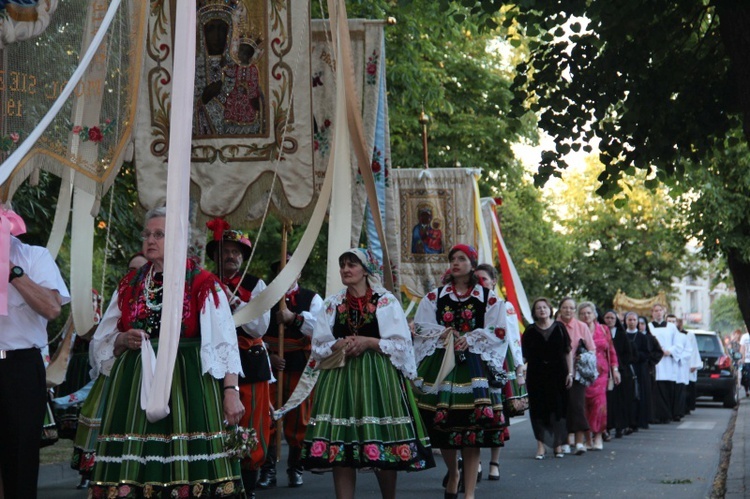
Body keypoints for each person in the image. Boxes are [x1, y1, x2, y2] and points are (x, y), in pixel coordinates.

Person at [87, 207, 246, 498]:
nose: (150, 240)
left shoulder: (202, 282)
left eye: (159, 234)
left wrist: (231, 391)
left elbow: (224, 342)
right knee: (135, 472)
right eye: (147, 234)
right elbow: (102, 341)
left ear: (178, 239)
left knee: (187, 471)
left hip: (188, 385)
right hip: (136, 385)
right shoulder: (130, 284)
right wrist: (122, 339)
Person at [300, 248, 434, 499]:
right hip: (340, 377)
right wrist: (337, 344)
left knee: (380, 442)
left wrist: (370, 342)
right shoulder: (332, 303)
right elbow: (318, 346)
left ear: (366, 270)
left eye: (352, 265)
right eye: (342, 265)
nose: (345, 270)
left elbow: (402, 343)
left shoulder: (385, 301)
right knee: (340, 446)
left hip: (377, 377)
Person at [413, 245, 506, 499]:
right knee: (444, 426)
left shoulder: (489, 298)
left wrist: (472, 338)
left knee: (471, 429)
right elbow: (421, 327)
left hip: (472, 366)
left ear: (472, 264)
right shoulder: (436, 296)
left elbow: (499, 332)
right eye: (452, 259)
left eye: (461, 259)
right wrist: (444, 333)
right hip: (443, 364)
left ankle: (470, 492)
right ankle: (453, 472)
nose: (456, 263)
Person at [0, 206, 70, 499]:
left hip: (19, 366)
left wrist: (12, 272)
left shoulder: (33, 256)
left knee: (20, 454)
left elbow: (53, 308)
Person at [69, 252, 149, 489]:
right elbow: (99, 343)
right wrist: (121, 341)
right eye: (130, 270)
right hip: (117, 378)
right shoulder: (123, 294)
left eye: (141, 270)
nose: (134, 276)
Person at [207, 227, 271, 497]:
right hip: (215, 360)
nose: (230, 256)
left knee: (251, 420)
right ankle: (217, 478)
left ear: (243, 257)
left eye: (235, 252)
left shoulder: (256, 285)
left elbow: (260, 328)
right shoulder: (205, 281)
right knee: (216, 418)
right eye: (225, 252)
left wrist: (234, 304)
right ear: (217, 256)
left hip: (249, 360)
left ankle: (249, 482)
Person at [258, 257, 324, 488]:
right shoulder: (263, 298)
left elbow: (322, 327)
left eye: (291, 271)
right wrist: (270, 354)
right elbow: (253, 330)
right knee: (268, 416)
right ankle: (267, 469)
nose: (286, 275)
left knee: (298, 419)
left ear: (299, 274)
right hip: (270, 364)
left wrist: (294, 318)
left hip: (299, 363)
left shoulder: (311, 298)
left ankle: (295, 467)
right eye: (281, 271)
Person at [474, 263, 524, 481]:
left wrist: (520, 366)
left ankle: (494, 462)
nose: (480, 283)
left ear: (493, 281)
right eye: (476, 280)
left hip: (500, 361)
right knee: (474, 409)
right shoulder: (470, 303)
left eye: (484, 279)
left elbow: (513, 337)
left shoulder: (504, 305)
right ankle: (474, 461)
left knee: (498, 411)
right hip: (476, 360)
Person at [522, 298, 573, 459]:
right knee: (538, 410)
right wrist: (518, 373)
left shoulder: (559, 328)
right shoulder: (530, 330)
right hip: (536, 375)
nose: (542, 310)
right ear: (534, 312)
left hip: (558, 374)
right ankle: (540, 446)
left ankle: (558, 445)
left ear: (550, 309)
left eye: (545, 307)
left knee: (558, 409)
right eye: (538, 308)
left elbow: (568, 351)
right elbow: (523, 356)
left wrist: (570, 373)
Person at [578, 302, 619, 450]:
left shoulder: (603, 329)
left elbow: (611, 350)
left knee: (599, 405)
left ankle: (598, 436)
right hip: (582, 372)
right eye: (583, 313)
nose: (586, 316)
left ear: (594, 314)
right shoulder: (577, 330)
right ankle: (587, 438)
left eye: (589, 313)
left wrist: (615, 369)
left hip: (601, 372)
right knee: (584, 405)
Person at [556, 297, 595, 455]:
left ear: (574, 310)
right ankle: (564, 441)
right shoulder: (554, 326)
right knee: (562, 407)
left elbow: (592, 349)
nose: (568, 310)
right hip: (558, 371)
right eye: (565, 307)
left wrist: (583, 356)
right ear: (560, 309)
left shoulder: (581, 326)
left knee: (577, 406)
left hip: (578, 372)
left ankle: (579, 442)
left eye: (571, 308)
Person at [649, 304, 688, 423]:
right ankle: (655, 416)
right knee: (655, 389)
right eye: (656, 311)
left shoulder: (671, 327)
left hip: (667, 361)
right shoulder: (649, 326)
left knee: (667, 388)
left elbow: (678, 343)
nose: (658, 313)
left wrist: (669, 351)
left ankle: (666, 415)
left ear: (664, 312)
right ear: (652, 313)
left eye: (660, 310)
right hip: (655, 361)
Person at [603, 309, 635, 438]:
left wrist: (618, 365)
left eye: (612, 318)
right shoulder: (601, 332)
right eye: (607, 318)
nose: (610, 320)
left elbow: (629, 354)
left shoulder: (622, 335)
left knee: (620, 401)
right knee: (607, 401)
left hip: (620, 372)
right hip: (604, 371)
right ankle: (606, 427)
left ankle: (620, 426)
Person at [740, 329, 750, 397]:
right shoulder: (744, 336)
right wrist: (742, 358)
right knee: (746, 377)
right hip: (746, 360)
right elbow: (742, 347)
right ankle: (747, 390)